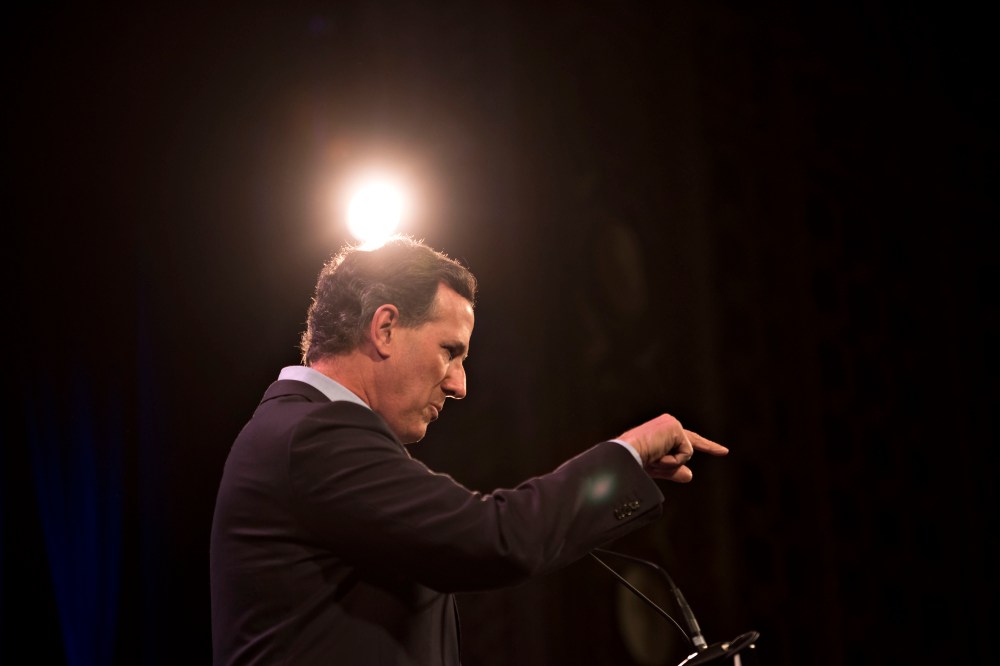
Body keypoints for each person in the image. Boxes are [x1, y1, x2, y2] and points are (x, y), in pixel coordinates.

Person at [209, 235, 729, 665]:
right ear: (385, 328)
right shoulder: (313, 433)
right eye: (450, 351)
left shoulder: (304, 430)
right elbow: (492, 539)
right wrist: (626, 454)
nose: (459, 385)